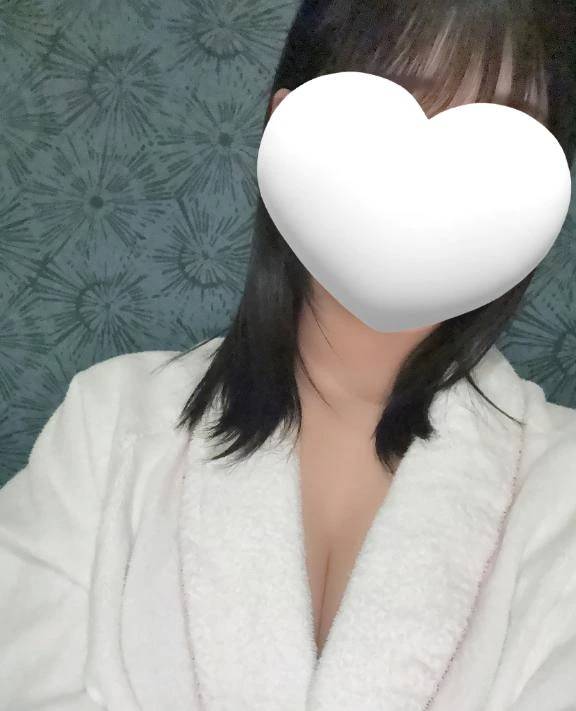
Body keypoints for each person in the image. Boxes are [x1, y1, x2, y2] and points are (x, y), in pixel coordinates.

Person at [1, 1, 575, 709]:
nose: (439, 179)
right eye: (407, 104)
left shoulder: (564, 482)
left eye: (505, 133)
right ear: (286, 125)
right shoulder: (107, 423)